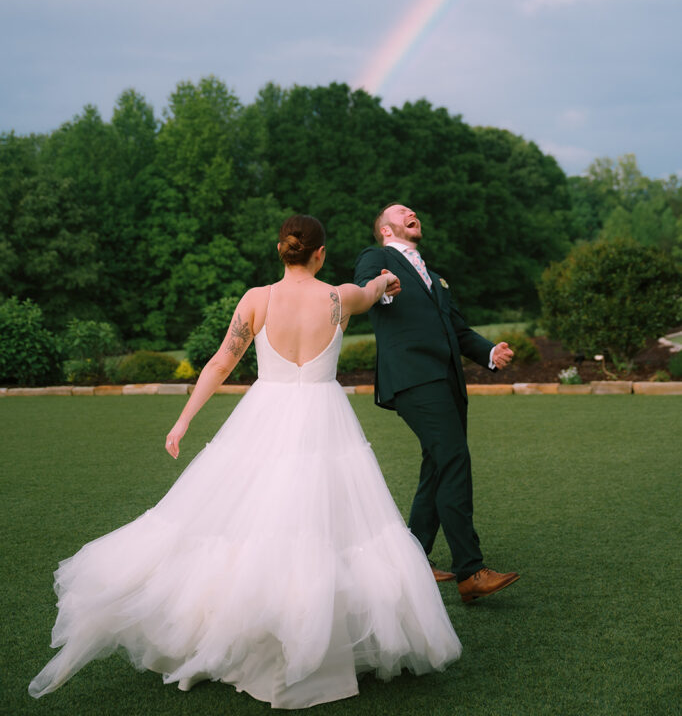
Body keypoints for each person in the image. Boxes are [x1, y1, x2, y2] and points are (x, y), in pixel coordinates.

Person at [29, 215, 462, 708]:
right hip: (324, 420)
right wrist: (386, 280)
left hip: (264, 417)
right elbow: (373, 288)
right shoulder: (339, 298)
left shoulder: (258, 300)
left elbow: (219, 362)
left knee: (247, 523)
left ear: (283, 251)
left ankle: (257, 633)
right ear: (319, 253)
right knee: (326, 529)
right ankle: (310, 638)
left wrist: (183, 422)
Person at [354, 202, 520, 604]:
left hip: (447, 383)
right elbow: (365, 289)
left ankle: (414, 559)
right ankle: (470, 570)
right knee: (453, 460)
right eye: (401, 211)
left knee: (438, 464)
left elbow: (458, 330)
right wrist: (384, 287)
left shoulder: (437, 278)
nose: (413, 213)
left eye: (414, 211)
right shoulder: (377, 257)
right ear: (386, 229)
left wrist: (489, 353)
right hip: (414, 378)